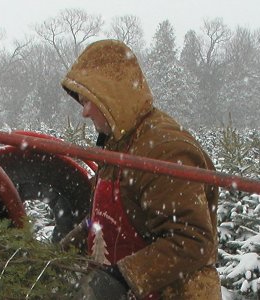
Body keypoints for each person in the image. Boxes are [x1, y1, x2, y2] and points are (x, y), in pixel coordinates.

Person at [59, 40, 221, 299]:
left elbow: (192, 241)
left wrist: (124, 277)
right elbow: (112, 213)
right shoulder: (117, 143)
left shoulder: (165, 149)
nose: (85, 112)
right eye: (81, 102)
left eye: (89, 101)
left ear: (112, 98)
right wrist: (69, 245)